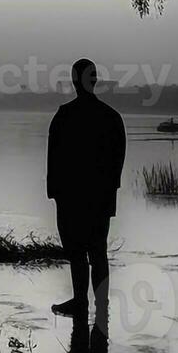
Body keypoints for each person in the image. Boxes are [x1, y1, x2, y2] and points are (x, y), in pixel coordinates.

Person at [46, 58, 126, 317]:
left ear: (73, 81)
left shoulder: (65, 116)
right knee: (98, 251)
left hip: (72, 196)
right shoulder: (111, 117)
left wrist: (55, 192)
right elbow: (118, 160)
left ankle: (81, 301)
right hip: (99, 196)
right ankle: (100, 306)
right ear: (94, 80)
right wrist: (111, 189)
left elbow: (54, 158)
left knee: (78, 252)